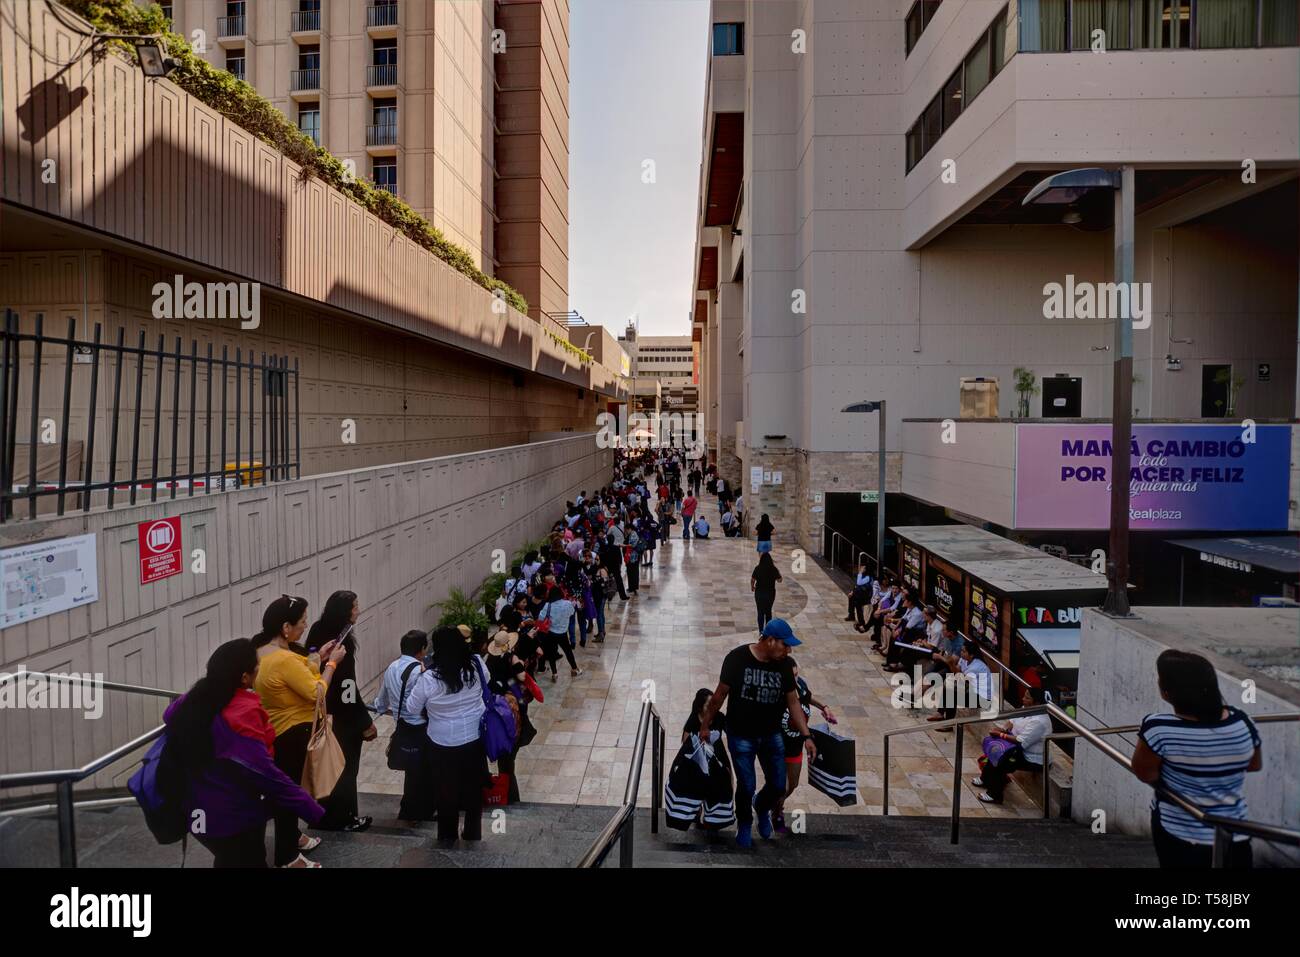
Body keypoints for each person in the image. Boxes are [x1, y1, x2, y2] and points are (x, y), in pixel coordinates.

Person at [158, 638, 325, 867]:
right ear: (245, 677)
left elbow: (169, 715)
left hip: (196, 809)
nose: (260, 669)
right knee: (247, 858)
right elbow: (265, 772)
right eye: (257, 667)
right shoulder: (241, 713)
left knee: (227, 859)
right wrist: (310, 807)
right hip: (231, 813)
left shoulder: (195, 700)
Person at [1131, 650, 1262, 869]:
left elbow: (1146, 773)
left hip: (1180, 833)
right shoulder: (1241, 721)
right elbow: (1254, 764)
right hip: (1235, 831)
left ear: (1166, 692)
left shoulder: (1158, 728)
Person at [695, 619, 816, 848]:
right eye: (785, 644)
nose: (788, 650)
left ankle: (761, 806)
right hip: (741, 735)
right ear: (770, 641)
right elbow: (719, 696)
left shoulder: (785, 664)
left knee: (779, 784)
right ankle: (744, 822)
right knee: (746, 784)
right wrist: (705, 725)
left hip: (772, 734)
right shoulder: (737, 658)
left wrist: (807, 736)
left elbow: (793, 703)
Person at [252, 595, 346, 867]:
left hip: (275, 731)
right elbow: (316, 691)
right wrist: (332, 664)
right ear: (285, 628)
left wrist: (318, 656)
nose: (305, 626)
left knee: (285, 790)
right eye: (302, 621)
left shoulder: (261, 651)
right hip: (293, 733)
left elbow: (291, 676)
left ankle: (293, 838)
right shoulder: (284, 660)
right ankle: (288, 857)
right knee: (289, 795)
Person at [404, 627, 489, 843]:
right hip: (473, 739)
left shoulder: (430, 677)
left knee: (445, 791)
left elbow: (412, 708)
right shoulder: (476, 665)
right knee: (473, 789)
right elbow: (487, 684)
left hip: (441, 743)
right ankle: (472, 833)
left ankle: (447, 836)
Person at [305, 590, 375, 833]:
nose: (358, 610)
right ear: (345, 612)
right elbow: (347, 688)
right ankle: (344, 818)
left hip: (323, 713)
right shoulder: (340, 644)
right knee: (345, 768)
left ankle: (322, 815)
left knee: (326, 767)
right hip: (342, 720)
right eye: (354, 607)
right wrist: (364, 721)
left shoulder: (318, 630)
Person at [373, 629, 434, 824]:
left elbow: (381, 699)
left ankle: (408, 808)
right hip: (421, 727)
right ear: (421, 650)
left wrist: (381, 708)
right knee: (424, 771)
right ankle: (419, 811)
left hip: (402, 727)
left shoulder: (392, 667)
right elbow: (426, 701)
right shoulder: (420, 671)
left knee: (412, 769)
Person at [774, 660, 835, 833]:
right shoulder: (777, 693)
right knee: (782, 787)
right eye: (791, 676)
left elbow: (808, 696)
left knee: (792, 785)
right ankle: (775, 813)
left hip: (795, 745)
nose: (795, 679)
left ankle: (768, 803)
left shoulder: (800, 685)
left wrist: (824, 707)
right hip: (777, 747)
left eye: (796, 674)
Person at [973, 684, 1052, 804]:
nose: (1023, 699)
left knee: (1002, 759)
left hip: (1033, 758)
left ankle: (995, 795)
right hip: (1016, 748)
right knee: (996, 750)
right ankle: (986, 779)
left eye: (1027, 698)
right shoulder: (1026, 708)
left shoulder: (1039, 721)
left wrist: (1001, 735)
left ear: (1036, 702)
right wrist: (1003, 730)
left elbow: (1021, 741)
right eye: (1024, 696)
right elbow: (1012, 720)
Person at [938, 641, 993, 723]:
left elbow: (960, 679)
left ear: (971, 655)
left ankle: (948, 724)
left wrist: (951, 664)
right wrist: (951, 664)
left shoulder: (976, 667)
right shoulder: (964, 659)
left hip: (983, 698)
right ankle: (940, 713)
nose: (961, 653)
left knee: (951, 695)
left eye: (964, 651)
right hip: (971, 689)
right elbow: (957, 671)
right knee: (949, 686)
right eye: (961, 650)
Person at [538, 586, 584, 682]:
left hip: (551, 633)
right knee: (568, 652)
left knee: (551, 654)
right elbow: (572, 613)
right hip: (563, 633)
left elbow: (540, 618)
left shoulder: (548, 605)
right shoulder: (567, 604)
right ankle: (574, 669)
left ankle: (554, 674)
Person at [750, 552, 783, 633]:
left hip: (759, 593)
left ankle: (761, 632)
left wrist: (752, 587)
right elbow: (780, 580)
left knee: (760, 612)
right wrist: (778, 573)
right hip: (770, 593)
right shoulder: (773, 569)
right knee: (768, 612)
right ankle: (768, 631)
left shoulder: (758, 568)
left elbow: (752, 579)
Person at [846, 561, 873, 631]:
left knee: (858, 603)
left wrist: (860, 573)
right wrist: (852, 592)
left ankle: (861, 622)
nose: (860, 568)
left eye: (862, 568)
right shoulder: (862, 575)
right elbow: (857, 586)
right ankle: (851, 614)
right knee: (851, 597)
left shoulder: (868, 577)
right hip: (859, 594)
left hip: (865, 596)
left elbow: (859, 583)